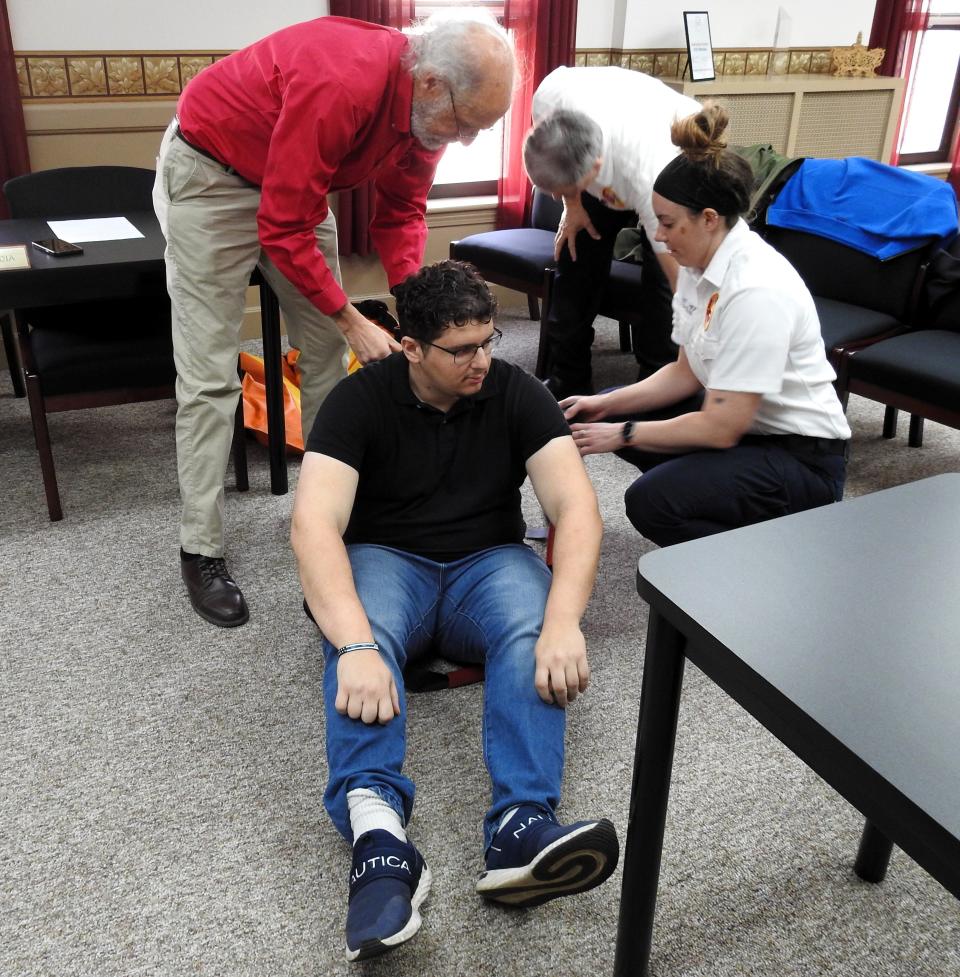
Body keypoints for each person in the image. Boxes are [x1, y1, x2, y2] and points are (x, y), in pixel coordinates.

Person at [290, 260, 619, 962]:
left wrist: (565, 621)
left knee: (533, 625)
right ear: (410, 346)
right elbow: (313, 525)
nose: (482, 360)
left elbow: (577, 508)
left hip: (487, 562)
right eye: (461, 349)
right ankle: (380, 840)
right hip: (388, 557)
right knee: (362, 636)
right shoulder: (358, 400)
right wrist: (352, 646)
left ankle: (521, 826)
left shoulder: (513, 390)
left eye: (488, 341)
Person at [153, 13, 515, 628]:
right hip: (212, 174)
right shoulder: (342, 82)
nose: (467, 142)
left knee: (325, 361)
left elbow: (401, 211)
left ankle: (330, 524)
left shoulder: (426, 116)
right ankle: (201, 548)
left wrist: (416, 307)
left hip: (295, 184)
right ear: (428, 83)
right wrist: (352, 318)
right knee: (211, 379)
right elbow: (282, 227)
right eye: (466, 124)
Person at [562, 104, 851, 548]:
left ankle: (754, 555)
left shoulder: (755, 289)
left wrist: (620, 434)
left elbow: (721, 427)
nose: (657, 235)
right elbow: (685, 371)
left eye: (668, 223)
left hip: (800, 459)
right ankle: (708, 490)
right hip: (750, 431)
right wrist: (605, 407)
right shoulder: (698, 266)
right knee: (609, 408)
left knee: (652, 501)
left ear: (710, 219)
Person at [522, 66, 702, 400]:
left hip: (678, 152)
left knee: (663, 290)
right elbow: (560, 163)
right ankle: (567, 379)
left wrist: (698, 316)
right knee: (574, 257)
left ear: (594, 171)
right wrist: (572, 206)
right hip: (609, 146)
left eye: (568, 189)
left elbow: (680, 282)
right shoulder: (549, 99)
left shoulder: (652, 173)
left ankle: (657, 388)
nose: (551, 196)